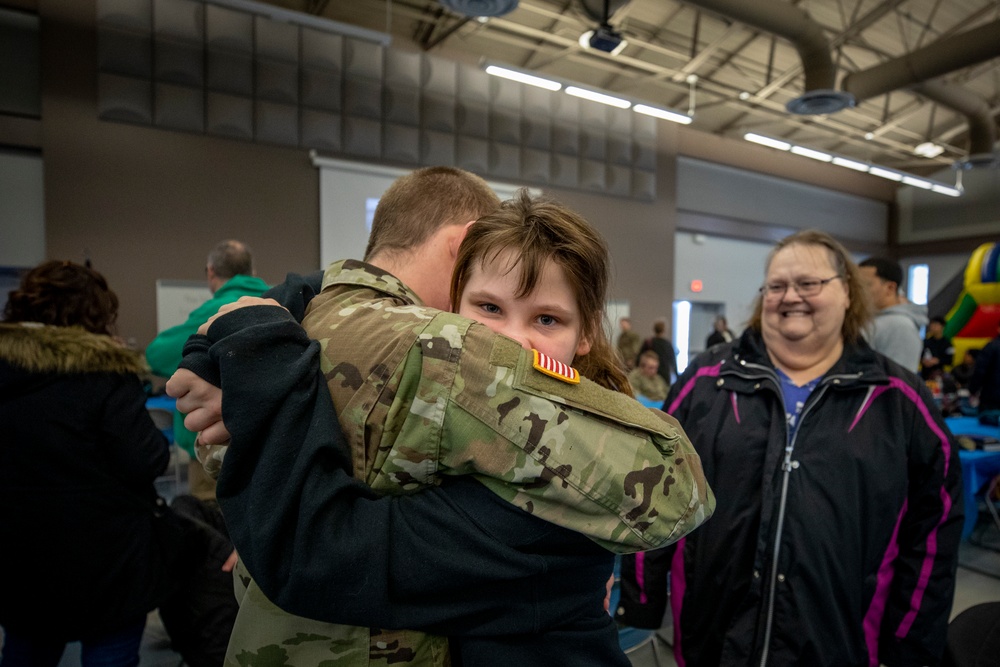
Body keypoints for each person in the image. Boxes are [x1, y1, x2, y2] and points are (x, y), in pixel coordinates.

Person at [168, 175, 713, 666]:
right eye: (488, 310)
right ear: (450, 310)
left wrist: (256, 347)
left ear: (586, 334)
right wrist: (274, 309)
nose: (509, 342)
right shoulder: (457, 418)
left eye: (547, 319)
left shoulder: (569, 457)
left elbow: (329, 552)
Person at [618, 230, 963, 666]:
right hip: (714, 634)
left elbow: (934, 527)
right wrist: (642, 596)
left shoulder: (897, 398)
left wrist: (911, 643)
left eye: (809, 284)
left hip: (841, 641)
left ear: (847, 293)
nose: (790, 296)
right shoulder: (705, 381)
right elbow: (654, 487)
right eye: (776, 286)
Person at [0, 261, 180, 667]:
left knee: (25, 653)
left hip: (20, 558)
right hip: (108, 562)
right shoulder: (104, 375)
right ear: (95, 314)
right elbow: (146, 459)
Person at [145, 239, 268, 499]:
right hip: (272, 446)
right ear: (252, 271)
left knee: (214, 528)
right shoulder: (280, 301)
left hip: (216, 453)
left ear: (211, 272)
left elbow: (156, 355)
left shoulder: (212, 313)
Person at [859, 256, 927, 372]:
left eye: (865, 285)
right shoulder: (873, 320)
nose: (858, 291)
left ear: (890, 288)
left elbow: (898, 383)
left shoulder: (899, 326)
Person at [970, 324, 1000, 413]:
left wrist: (973, 389)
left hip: (992, 396)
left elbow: (980, 370)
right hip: (993, 393)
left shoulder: (992, 346)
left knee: (988, 420)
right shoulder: (993, 346)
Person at [638, 319, 677, 385]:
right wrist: (677, 376)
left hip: (648, 374)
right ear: (664, 330)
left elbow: (639, 358)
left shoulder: (648, 342)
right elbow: (673, 362)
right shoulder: (667, 344)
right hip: (664, 374)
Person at [921, 315, 955, 380]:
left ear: (942, 327)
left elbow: (950, 361)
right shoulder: (926, 342)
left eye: (935, 325)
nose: (932, 327)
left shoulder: (947, 344)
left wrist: (937, 361)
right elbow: (920, 356)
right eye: (931, 325)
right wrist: (923, 361)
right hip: (924, 374)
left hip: (939, 375)